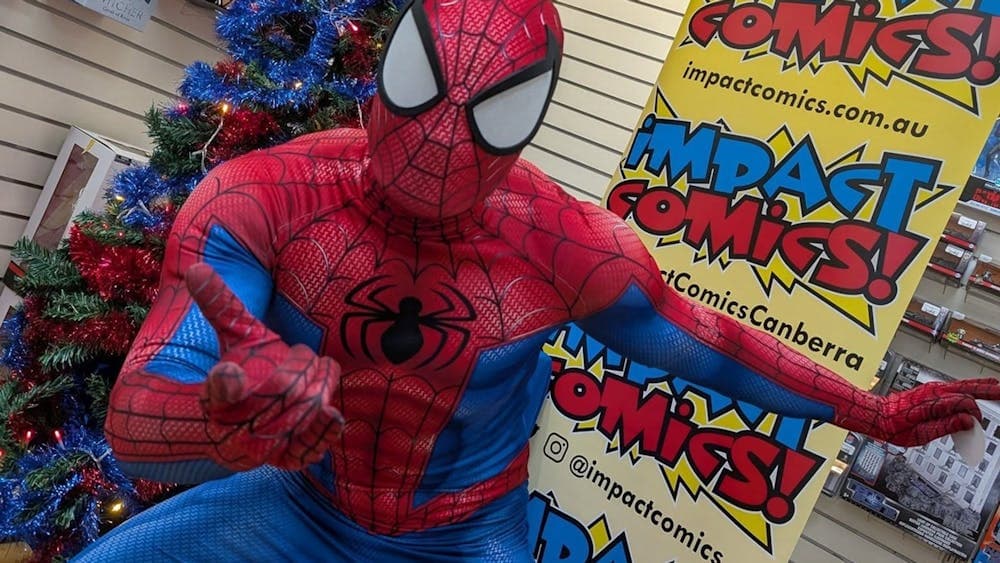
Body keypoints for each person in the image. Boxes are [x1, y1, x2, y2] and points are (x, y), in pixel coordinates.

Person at [75, 0, 1000, 560]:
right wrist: (224, 420)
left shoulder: (556, 242)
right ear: (378, 91)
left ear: (520, 130)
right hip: (297, 504)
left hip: (463, 539)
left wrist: (873, 412)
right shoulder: (264, 195)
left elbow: (703, 342)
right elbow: (137, 422)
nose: (437, 145)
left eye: (475, 121)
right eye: (421, 102)